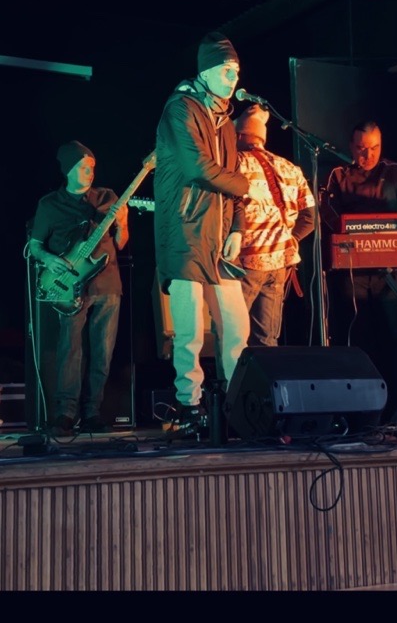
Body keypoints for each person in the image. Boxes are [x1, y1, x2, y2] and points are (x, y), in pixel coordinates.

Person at [154, 30, 269, 438]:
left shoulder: (225, 121)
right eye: (226, 71)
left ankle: (238, 407)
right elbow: (197, 168)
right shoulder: (180, 109)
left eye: (237, 71)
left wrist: (237, 227)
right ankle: (189, 406)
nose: (234, 78)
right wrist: (247, 187)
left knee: (236, 327)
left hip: (220, 238)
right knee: (188, 333)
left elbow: (231, 176)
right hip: (185, 233)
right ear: (205, 72)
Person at [320, 119, 397, 420]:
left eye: (374, 148)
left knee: (396, 339)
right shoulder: (338, 175)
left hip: (389, 271)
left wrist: (387, 237)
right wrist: (355, 235)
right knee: (356, 338)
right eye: (362, 149)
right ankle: (357, 412)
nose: (368, 155)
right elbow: (328, 215)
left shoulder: (395, 172)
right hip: (352, 272)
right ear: (351, 147)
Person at [29, 140, 129, 435]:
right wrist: (50, 260)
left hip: (107, 283)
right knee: (70, 349)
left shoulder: (107, 198)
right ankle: (65, 413)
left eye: (92, 167)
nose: (90, 172)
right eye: (84, 167)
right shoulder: (49, 204)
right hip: (70, 286)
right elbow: (35, 246)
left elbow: (121, 243)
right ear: (69, 169)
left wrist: (123, 224)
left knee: (103, 352)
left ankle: (93, 413)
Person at [234, 104, 316, 346]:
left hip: (246, 262)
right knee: (266, 340)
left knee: (233, 337)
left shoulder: (235, 165)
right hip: (280, 265)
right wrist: (291, 239)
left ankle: (233, 374)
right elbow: (310, 218)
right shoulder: (290, 168)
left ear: (239, 135)